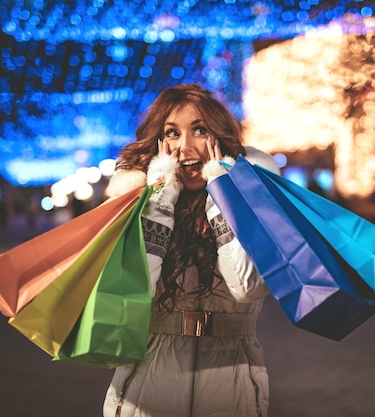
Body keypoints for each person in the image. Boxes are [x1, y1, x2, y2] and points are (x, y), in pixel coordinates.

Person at [102, 84, 280, 417]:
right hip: (146, 389)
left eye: (199, 130)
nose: (185, 147)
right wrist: (160, 200)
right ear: (158, 142)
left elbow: (246, 287)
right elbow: (130, 293)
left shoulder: (256, 203)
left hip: (232, 384)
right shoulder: (136, 206)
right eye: (172, 133)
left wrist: (222, 192)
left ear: (219, 137)